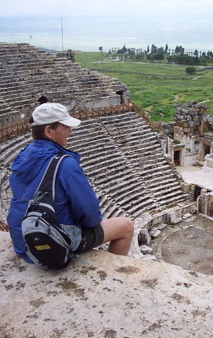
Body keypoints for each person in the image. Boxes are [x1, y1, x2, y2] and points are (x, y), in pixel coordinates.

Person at [7, 102, 133, 263]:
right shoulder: (65, 164)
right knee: (126, 226)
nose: (70, 131)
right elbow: (91, 215)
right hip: (51, 242)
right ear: (49, 131)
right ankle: (115, 277)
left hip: (22, 239)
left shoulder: (23, 155)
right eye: (65, 126)